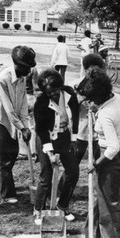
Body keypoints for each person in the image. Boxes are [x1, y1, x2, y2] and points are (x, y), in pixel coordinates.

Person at [83, 67, 120, 238]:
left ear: (99, 96)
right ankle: (94, 233)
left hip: (115, 155)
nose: (90, 102)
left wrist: (95, 164)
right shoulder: (116, 98)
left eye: (92, 99)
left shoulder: (106, 115)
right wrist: (95, 109)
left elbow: (112, 148)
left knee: (108, 200)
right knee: (99, 194)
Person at [0, 46, 35, 204]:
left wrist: (26, 125)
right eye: (27, 67)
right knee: (6, 157)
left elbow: (23, 104)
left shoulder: (23, 77)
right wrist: (22, 127)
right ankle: (7, 193)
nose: (29, 71)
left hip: (13, 119)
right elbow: (9, 109)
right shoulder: (3, 78)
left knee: (12, 153)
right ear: (18, 65)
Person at [33, 69, 79, 225]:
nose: (52, 95)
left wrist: (73, 139)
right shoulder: (41, 102)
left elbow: (76, 117)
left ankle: (63, 205)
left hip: (65, 138)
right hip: (47, 139)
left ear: (60, 86)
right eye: (48, 93)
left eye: (54, 91)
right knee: (47, 176)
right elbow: (40, 129)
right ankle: (38, 210)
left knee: (73, 172)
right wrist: (49, 151)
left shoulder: (70, 96)